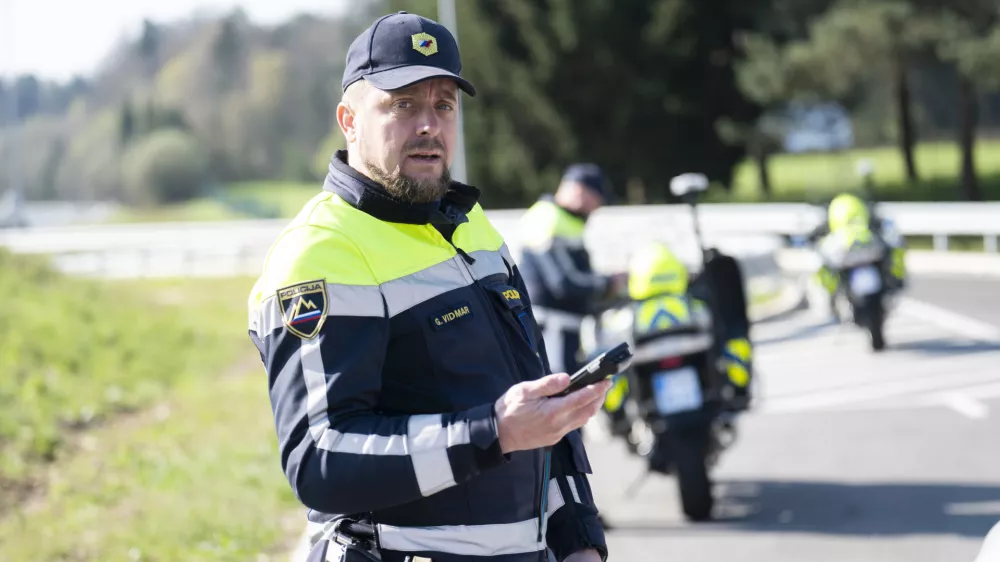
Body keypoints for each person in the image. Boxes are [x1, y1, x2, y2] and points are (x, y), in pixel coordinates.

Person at [246, 11, 610, 562]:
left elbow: (539, 412)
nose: (428, 125)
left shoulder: (472, 226)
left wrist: (580, 539)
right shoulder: (319, 254)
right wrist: (491, 432)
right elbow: (321, 459)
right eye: (402, 103)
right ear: (349, 119)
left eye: (443, 105)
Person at [517, 165, 629, 378]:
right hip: (551, 329)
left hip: (563, 328)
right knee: (558, 393)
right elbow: (563, 282)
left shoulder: (563, 219)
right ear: (579, 190)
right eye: (596, 200)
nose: (595, 209)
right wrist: (608, 283)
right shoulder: (546, 218)